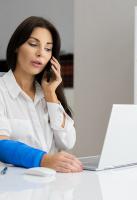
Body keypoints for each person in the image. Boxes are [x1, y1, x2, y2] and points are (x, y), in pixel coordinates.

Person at [0, 16, 82, 173]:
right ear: (17, 46)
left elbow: (67, 142)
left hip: (51, 187)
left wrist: (51, 94)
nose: (40, 53)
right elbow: (0, 145)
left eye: (48, 48)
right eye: (33, 44)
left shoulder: (47, 93)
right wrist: (43, 159)